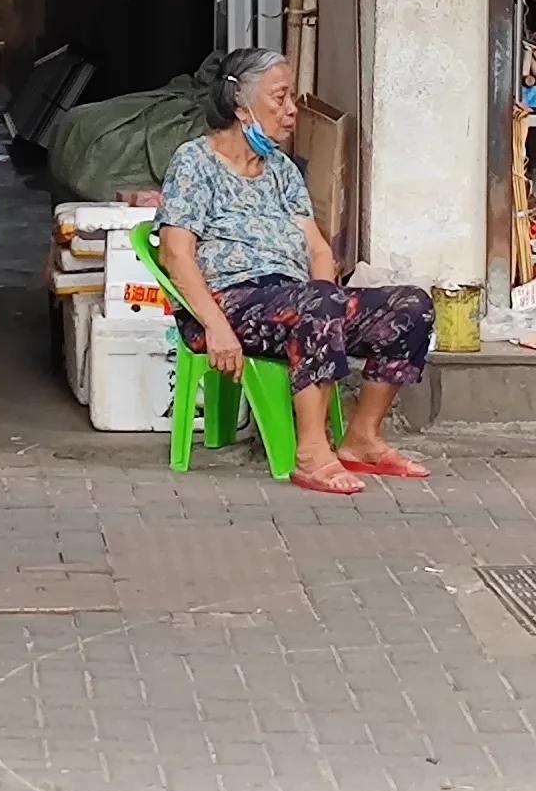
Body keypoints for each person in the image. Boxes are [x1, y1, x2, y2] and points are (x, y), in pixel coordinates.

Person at [153, 49, 432, 497]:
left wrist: (328, 299)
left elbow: (318, 251)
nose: (291, 111)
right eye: (280, 99)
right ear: (241, 106)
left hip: (295, 303)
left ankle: (361, 437)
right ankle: (310, 454)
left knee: (410, 305)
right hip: (230, 304)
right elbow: (176, 255)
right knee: (316, 304)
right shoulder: (195, 163)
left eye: (291, 100)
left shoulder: (281, 169)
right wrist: (217, 328)